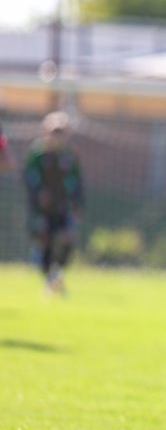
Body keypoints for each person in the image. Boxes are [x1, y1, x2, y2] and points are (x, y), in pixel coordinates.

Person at [24, 111, 84, 295]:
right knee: (46, 241)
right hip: (42, 209)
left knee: (68, 239)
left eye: (61, 132)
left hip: (63, 207)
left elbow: (77, 182)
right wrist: (38, 195)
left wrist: (78, 203)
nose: (58, 137)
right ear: (46, 132)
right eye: (54, 132)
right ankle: (49, 279)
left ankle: (56, 274)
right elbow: (29, 178)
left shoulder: (70, 155)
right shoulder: (37, 154)